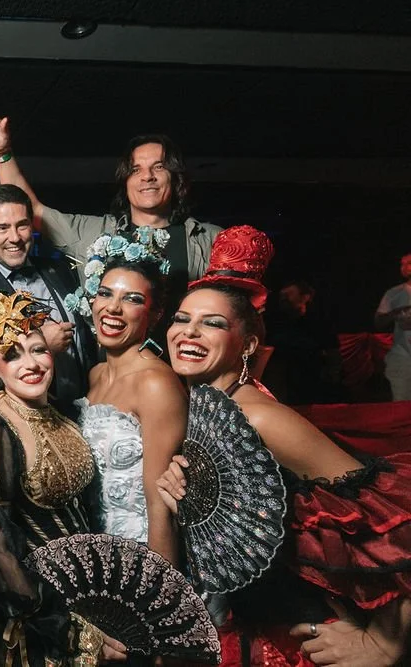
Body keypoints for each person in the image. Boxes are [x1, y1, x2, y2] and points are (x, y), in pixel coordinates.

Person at [156, 226, 411, 666]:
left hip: (295, 641)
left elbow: (396, 524)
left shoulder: (260, 417)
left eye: (212, 323)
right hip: (242, 629)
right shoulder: (202, 405)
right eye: (182, 319)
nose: (188, 332)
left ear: (248, 343)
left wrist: (386, 643)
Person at [0, 289, 126, 667]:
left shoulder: (64, 414)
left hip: (96, 592)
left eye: (38, 350)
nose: (30, 364)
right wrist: (67, 628)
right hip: (42, 612)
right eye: (12, 355)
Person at [0, 118, 221, 312]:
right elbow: (33, 210)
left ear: (175, 178)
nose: (147, 177)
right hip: (112, 364)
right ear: (125, 180)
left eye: (159, 167)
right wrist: (1, 155)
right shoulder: (94, 233)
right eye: (136, 170)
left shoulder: (210, 239)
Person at [64, 228, 185, 564]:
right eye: (105, 294)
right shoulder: (96, 375)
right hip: (93, 555)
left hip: (139, 556)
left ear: (155, 314)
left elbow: (160, 502)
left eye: (132, 299)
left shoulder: (156, 384)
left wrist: (159, 584)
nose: (113, 308)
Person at [0, 183, 97, 417]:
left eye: (22, 225)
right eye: (2, 228)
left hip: (88, 411)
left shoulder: (59, 270)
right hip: (28, 422)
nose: (15, 237)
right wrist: (40, 347)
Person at [264, 278, 342, 404]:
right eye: (282, 296)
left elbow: (332, 349)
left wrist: (333, 373)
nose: (284, 299)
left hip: (313, 380)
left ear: (305, 297)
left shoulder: (319, 322)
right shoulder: (276, 323)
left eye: (289, 295)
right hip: (283, 382)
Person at [375, 252, 411, 401]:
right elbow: (378, 323)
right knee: (402, 406)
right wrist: (396, 313)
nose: (404, 267)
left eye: (409, 263)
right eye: (402, 264)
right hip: (402, 358)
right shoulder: (394, 293)